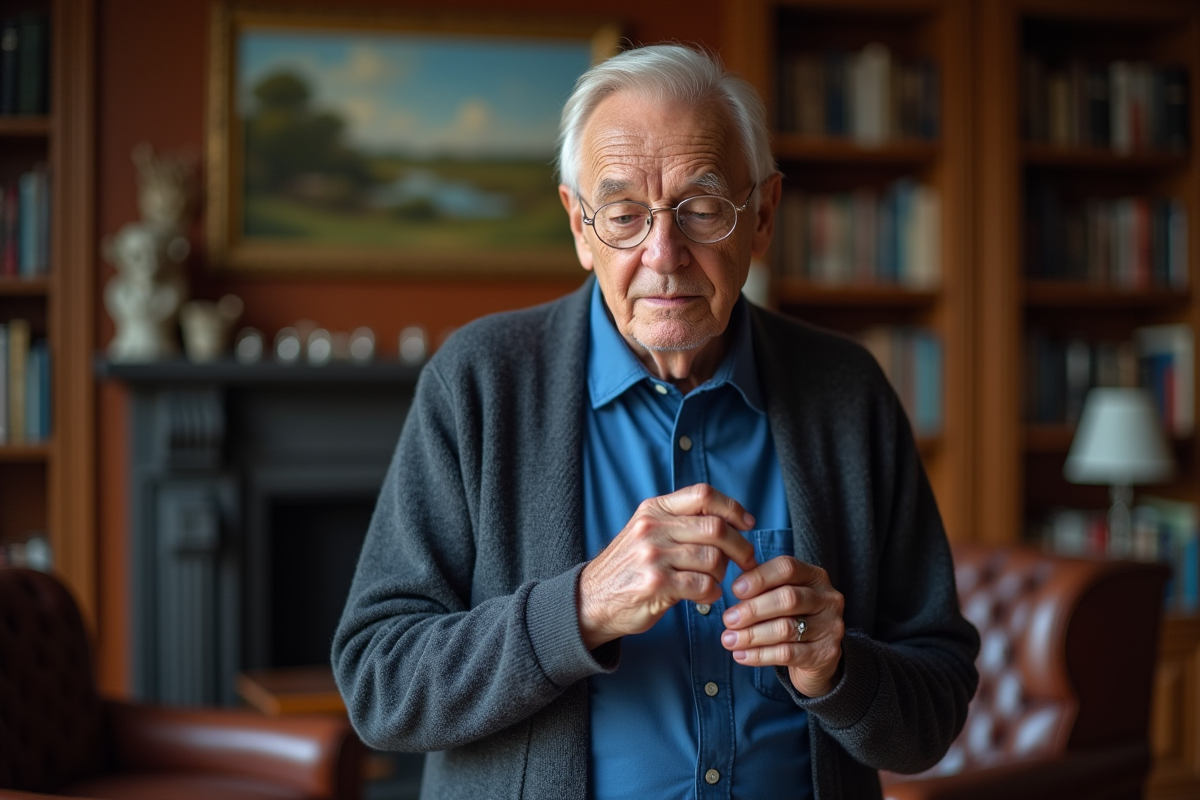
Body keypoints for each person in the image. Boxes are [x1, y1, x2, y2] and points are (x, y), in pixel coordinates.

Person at [333, 43, 979, 800]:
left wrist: (836, 668)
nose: (663, 254)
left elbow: (934, 711)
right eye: (623, 215)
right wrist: (581, 607)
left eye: (702, 209)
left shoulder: (847, 390)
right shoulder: (479, 380)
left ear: (762, 216)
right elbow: (379, 683)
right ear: (580, 227)